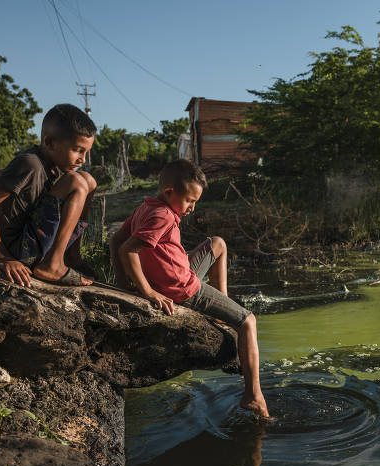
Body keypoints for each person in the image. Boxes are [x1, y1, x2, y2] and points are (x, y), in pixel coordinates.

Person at [110, 159, 270, 418]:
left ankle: (220, 307)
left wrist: (123, 285)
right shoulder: (162, 215)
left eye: (195, 202)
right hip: (182, 288)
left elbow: (116, 239)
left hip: (177, 273)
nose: (192, 208)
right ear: (169, 192)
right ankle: (253, 395)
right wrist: (146, 292)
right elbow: (128, 249)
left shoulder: (147, 207)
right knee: (248, 321)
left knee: (218, 244)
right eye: (189, 201)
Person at [0, 104, 97, 287]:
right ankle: (52, 264)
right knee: (77, 183)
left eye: (86, 152)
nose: (82, 159)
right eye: (78, 150)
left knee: (88, 181)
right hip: (20, 249)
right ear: (49, 143)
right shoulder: (30, 164)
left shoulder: (45, 164)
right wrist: (3, 257)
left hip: (27, 240)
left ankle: (71, 256)